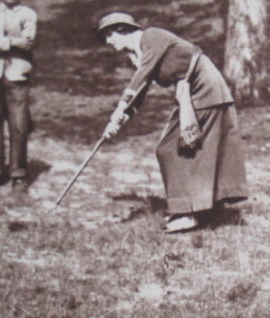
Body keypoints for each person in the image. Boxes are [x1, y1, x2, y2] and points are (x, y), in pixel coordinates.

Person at [95, 12, 248, 233]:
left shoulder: (151, 37)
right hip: (190, 95)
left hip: (204, 89)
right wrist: (119, 121)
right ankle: (206, 207)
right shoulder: (137, 54)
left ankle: (188, 212)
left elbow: (140, 79)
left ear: (122, 29)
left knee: (171, 149)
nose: (108, 42)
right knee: (191, 150)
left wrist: (118, 112)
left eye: (110, 35)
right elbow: (141, 91)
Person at [0, 0, 37, 192]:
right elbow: (19, 42)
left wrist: (8, 42)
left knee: (19, 125)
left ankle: (18, 174)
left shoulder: (28, 14)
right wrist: (13, 42)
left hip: (17, 74)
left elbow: (28, 42)